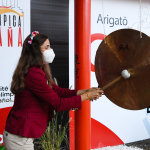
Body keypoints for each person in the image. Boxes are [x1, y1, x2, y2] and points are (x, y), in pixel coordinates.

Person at [3, 31, 103, 150]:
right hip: (19, 138)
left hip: (22, 136)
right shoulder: (33, 74)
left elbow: (58, 92)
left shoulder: (39, 70)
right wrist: (87, 95)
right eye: (47, 47)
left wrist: (84, 91)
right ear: (36, 51)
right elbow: (57, 103)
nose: (50, 50)